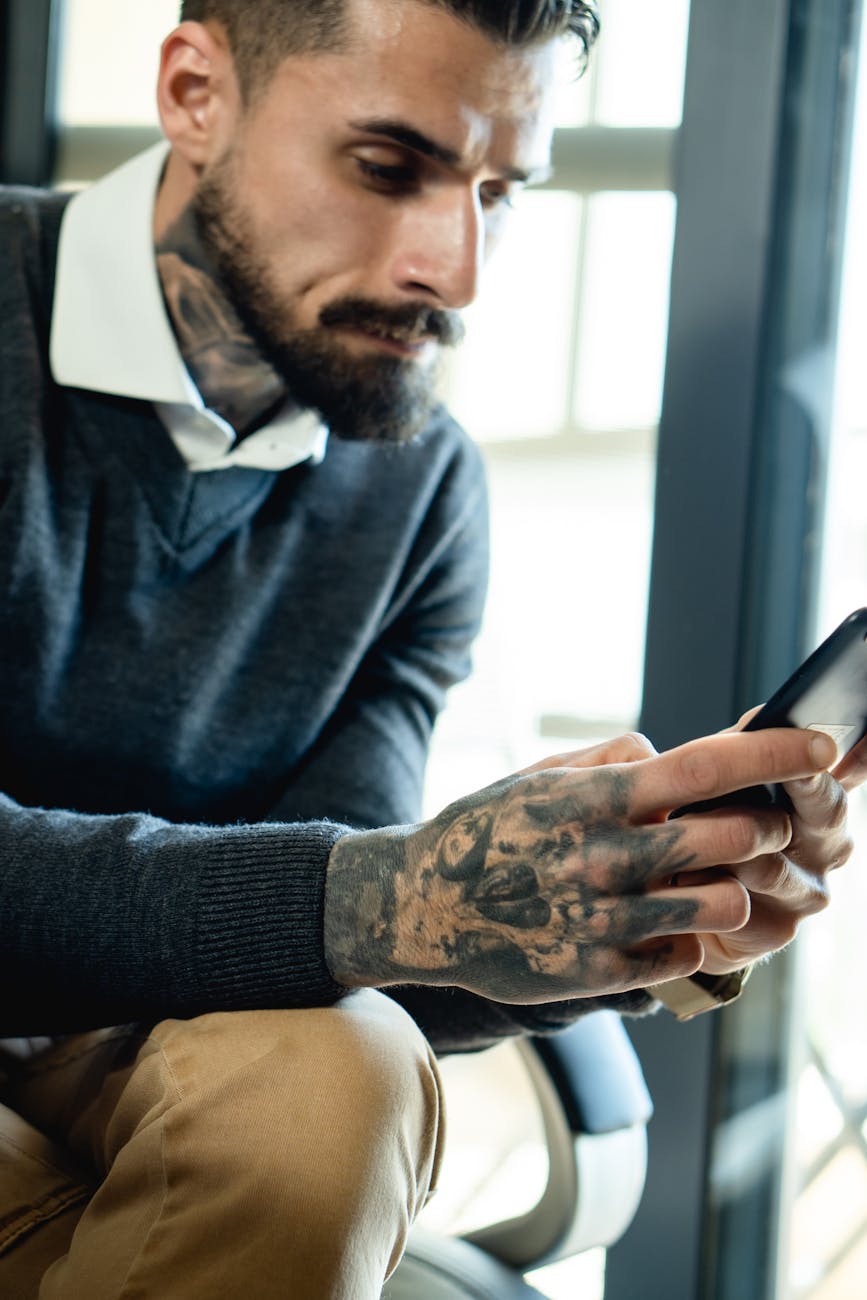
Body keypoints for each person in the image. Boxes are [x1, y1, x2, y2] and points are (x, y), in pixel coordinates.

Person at [0, 1, 861, 1295]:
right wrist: (388, 894)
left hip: (125, 1046)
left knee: (340, 1072)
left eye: (501, 190)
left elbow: (339, 948)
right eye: (388, 167)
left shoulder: (417, 496)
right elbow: (351, 898)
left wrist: (611, 922)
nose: (454, 271)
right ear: (194, 94)